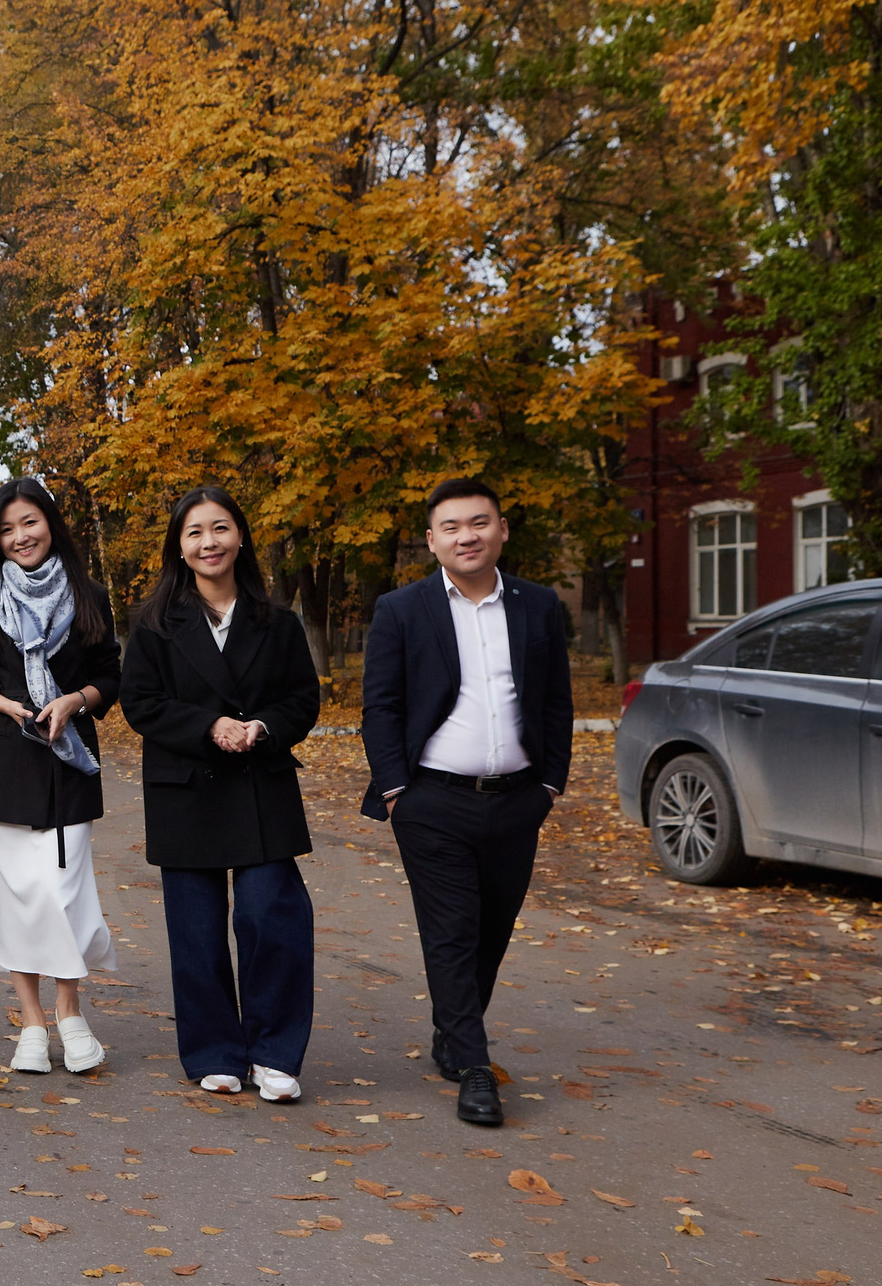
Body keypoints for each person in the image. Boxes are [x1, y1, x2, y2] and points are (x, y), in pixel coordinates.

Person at [360, 476, 574, 1128]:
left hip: (517, 801)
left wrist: (550, 785)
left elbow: (556, 700)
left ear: (501, 529)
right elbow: (381, 706)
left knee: (491, 932)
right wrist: (398, 791)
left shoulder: (538, 606)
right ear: (432, 540)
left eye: (479, 522)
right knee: (451, 932)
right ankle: (476, 1068)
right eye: (451, 526)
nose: (467, 535)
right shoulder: (402, 609)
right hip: (431, 802)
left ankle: (454, 1031)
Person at [120, 488, 322, 1102]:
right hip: (187, 786)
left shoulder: (277, 621)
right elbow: (141, 704)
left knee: (272, 917)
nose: (209, 542)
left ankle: (275, 1053)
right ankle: (214, 1051)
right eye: (195, 532)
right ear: (178, 546)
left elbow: (301, 701)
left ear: (240, 538)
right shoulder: (152, 622)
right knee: (197, 931)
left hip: (259, 781)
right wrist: (207, 726)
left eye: (221, 529)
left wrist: (261, 728)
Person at [0, 478, 122, 1073]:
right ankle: (32, 1024)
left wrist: (75, 701)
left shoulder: (89, 595)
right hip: (2, 765)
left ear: (51, 524)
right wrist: (0, 703)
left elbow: (109, 677)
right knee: (18, 899)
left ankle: (70, 1012)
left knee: (61, 894)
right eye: (7, 529)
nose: (21, 537)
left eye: (30, 523)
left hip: (68, 765)